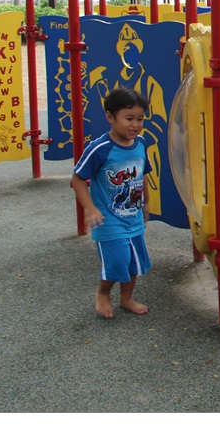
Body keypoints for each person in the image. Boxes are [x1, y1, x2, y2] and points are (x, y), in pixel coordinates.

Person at [71, 87, 153, 319]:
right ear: (110, 117)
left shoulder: (140, 144)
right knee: (118, 259)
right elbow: (77, 178)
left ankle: (126, 299)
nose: (135, 124)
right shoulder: (100, 149)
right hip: (108, 219)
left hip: (133, 217)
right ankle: (103, 292)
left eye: (140, 119)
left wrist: (146, 202)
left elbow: (142, 174)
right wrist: (90, 208)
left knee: (134, 262)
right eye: (128, 119)